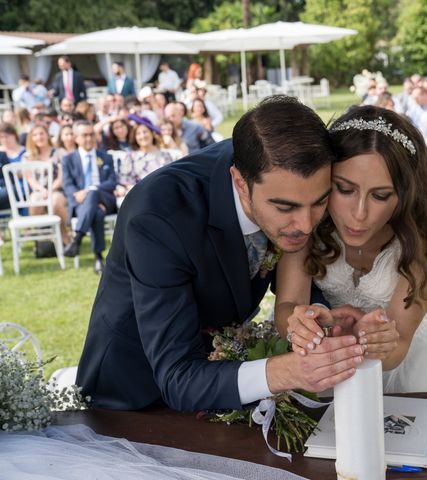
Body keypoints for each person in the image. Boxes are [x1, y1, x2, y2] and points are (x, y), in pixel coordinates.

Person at [75, 95, 365, 412]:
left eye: (319, 203)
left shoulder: (279, 165)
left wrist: (319, 320)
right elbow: (178, 377)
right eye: (285, 208)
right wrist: (289, 370)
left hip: (225, 379)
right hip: (133, 397)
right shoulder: (158, 217)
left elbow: (293, 291)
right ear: (240, 183)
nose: (307, 225)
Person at [276, 106, 427, 480]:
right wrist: (299, 324)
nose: (359, 214)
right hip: (330, 371)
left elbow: (398, 346)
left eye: (381, 195)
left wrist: (378, 338)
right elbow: (287, 305)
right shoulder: (310, 219)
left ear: (405, 192)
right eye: (344, 189)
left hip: (414, 370)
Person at [62, 121, 118, 274]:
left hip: (105, 199)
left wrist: (89, 190)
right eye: (84, 135)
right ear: (76, 138)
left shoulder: (105, 157)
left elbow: (112, 182)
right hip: (81, 204)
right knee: (97, 213)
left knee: (92, 193)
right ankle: (98, 257)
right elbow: (67, 185)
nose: (89, 138)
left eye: (91, 134)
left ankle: (77, 238)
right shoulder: (68, 160)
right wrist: (77, 194)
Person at [23, 125, 69, 240]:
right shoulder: (27, 157)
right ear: (31, 138)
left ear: (47, 135)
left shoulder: (59, 153)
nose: (39, 137)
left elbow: (61, 177)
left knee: (55, 201)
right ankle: (43, 239)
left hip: (57, 189)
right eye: (35, 135)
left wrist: (50, 190)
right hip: (39, 190)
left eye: (41, 133)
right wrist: (42, 190)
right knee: (35, 200)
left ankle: (65, 236)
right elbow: (30, 179)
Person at [117, 122, 172, 195]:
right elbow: (125, 180)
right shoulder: (131, 157)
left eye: (145, 132)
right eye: (138, 134)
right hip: (140, 195)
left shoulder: (164, 155)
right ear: (135, 137)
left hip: (163, 192)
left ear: (152, 133)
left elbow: (170, 177)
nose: (142, 136)